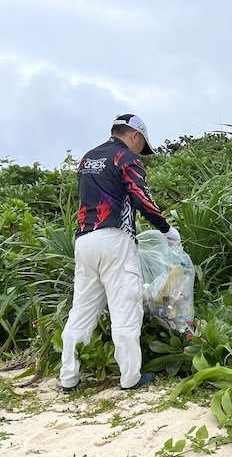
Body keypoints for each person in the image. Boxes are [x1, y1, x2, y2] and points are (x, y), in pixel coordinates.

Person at [59, 114, 180, 393]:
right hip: (115, 239)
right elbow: (141, 198)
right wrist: (165, 229)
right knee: (125, 306)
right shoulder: (126, 159)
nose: (141, 153)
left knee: (82, 309)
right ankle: (130, 378)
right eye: (142, 146)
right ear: (134, 136)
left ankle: (69, 378)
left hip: (85, 241)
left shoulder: (88, 159)